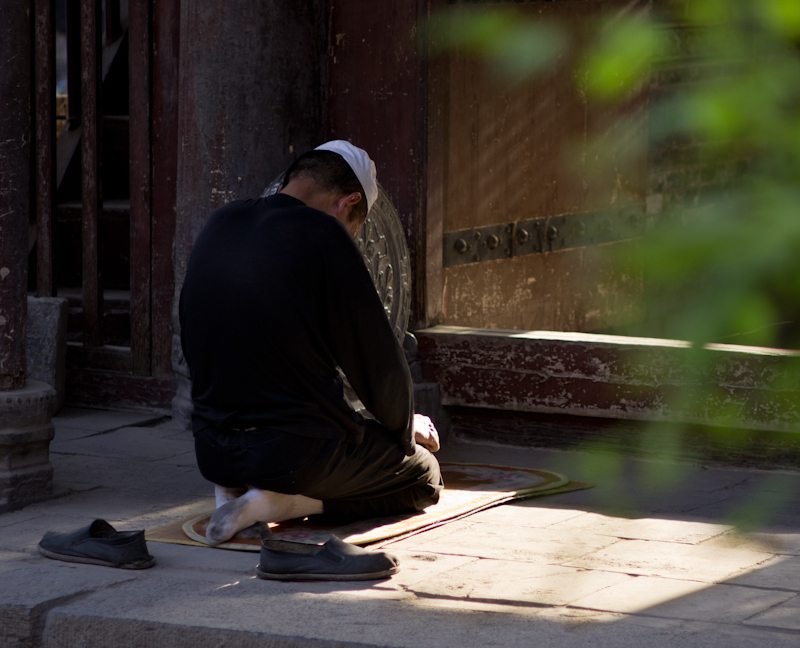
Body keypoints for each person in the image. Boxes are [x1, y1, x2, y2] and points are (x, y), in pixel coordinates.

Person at [179, 140, 443, 547]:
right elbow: (378, 366)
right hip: (294, 455)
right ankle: (277, 505)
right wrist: (402, 429)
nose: (353, 238)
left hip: (212, 450)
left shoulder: (221, 222)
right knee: (423, 474)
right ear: (348, 202)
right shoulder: (324, 234)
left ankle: (232, 490)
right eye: (356, 227)